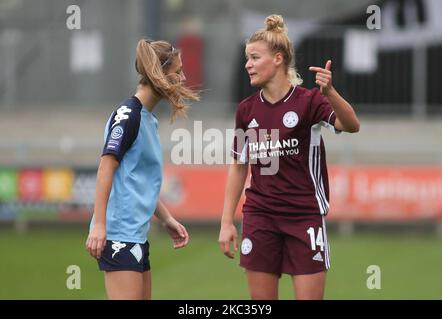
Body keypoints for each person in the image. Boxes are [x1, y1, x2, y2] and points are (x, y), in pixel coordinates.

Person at [219, 14, 360, 300]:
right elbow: (238, 166)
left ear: (279, 59)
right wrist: (225, 222)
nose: (248, 64)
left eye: (255, 57)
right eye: (247, 58)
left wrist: (330, 93)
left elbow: (351, 125)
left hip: (304, 217)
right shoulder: (246, 110)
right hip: (260, 218)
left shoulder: (309, 101)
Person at [86, 39, 199, 300]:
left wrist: (167, 218)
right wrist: (100, 225)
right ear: (159, 73)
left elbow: (138, 181)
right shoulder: (129, 115)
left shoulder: (148, 119)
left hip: (135, 234)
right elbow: (106, 167)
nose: (182, 78)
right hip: (118, 235)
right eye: (177, 72)